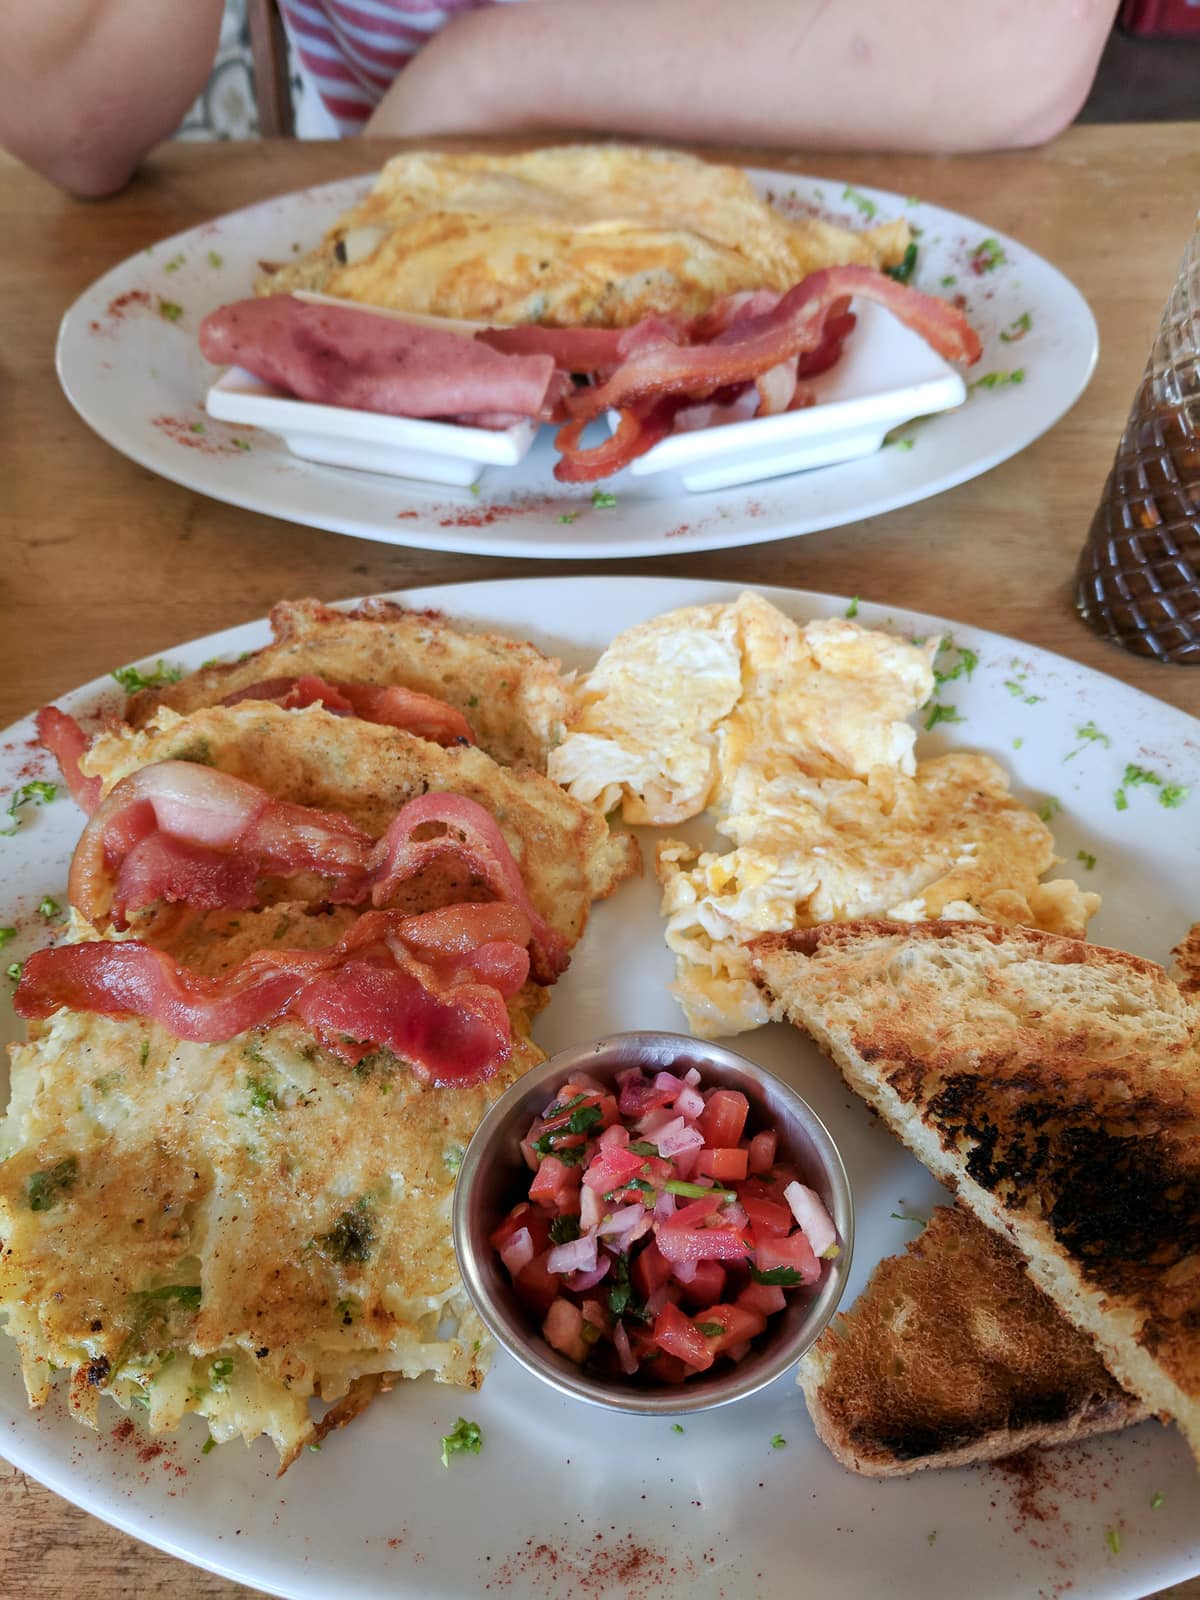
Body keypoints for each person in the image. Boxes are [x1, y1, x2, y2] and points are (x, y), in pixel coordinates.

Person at [0, 0, 1120, 199]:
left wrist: (499, 74)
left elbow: (1015, 42)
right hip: (419, 394)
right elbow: (76, 116)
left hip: (863, 283)